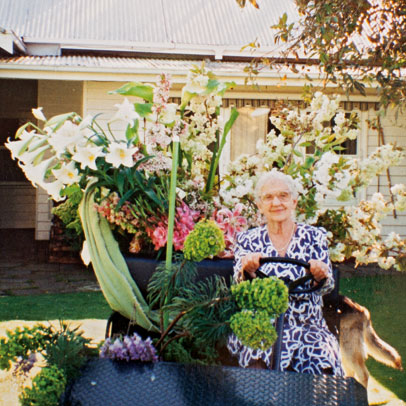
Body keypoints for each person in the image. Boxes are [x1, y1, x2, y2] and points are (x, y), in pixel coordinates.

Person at [227, 169, 344, 376]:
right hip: (261, 322)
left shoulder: (314, 236)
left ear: (294, 202)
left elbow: (327, 286)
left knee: (321, 357)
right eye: (268, 197)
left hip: (307, 323)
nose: (276, 203)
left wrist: (320, 274)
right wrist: (248, 270)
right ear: (260, 206)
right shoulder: (248, 239)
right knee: (256, 358)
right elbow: (239, 285)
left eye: (283, 196)